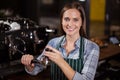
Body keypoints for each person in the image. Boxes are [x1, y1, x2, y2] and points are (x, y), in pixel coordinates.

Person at [21, 1, 100, 80]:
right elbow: (36, 69)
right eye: (66, 19)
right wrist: (28, 64)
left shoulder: (92, 47)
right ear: (62, 21)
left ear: (81, 23)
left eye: (75, 20)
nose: (70, 24)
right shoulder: (53, 43)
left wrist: (61, 62)